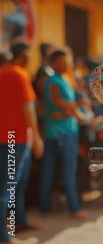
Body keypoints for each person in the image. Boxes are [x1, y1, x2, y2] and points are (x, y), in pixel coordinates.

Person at [0, 43, 44, 243]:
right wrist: (36, 136)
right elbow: (28, 108)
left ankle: (20, 222)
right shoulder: (19, 74)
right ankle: (4, 234)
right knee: (9, 185)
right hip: (15, 138)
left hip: (9, 137)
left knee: (18, 183)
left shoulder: (3, 74)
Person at [39, 50, 88, 219]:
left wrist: (73, 109)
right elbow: (59, 102)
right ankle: (73, 208)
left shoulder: (64, 79)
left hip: (58, 132)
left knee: (50, 171)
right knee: (66, 171)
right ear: (53, 63)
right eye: (64, 61)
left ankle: (45, 208)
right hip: (63, 133)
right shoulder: (53, 81)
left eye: (68, 60)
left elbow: (62, 106)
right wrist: (76, 108)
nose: (68, 64)